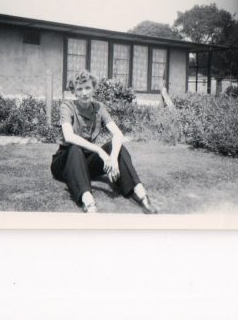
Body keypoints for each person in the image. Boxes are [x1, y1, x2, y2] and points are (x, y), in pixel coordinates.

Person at [50, 70, 158, 214]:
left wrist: (113, 158)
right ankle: (89, 203)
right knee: (75, 148)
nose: (84, 93)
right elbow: (69, 137)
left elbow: (118, 134)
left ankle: (141, 195)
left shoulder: (99, 107)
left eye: (87, 88)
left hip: (86, 163)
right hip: (64, 162)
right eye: (80, 89)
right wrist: (100, 150)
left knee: (118, 147)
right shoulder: (67, 106)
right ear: (74, 92)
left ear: (93, 88)